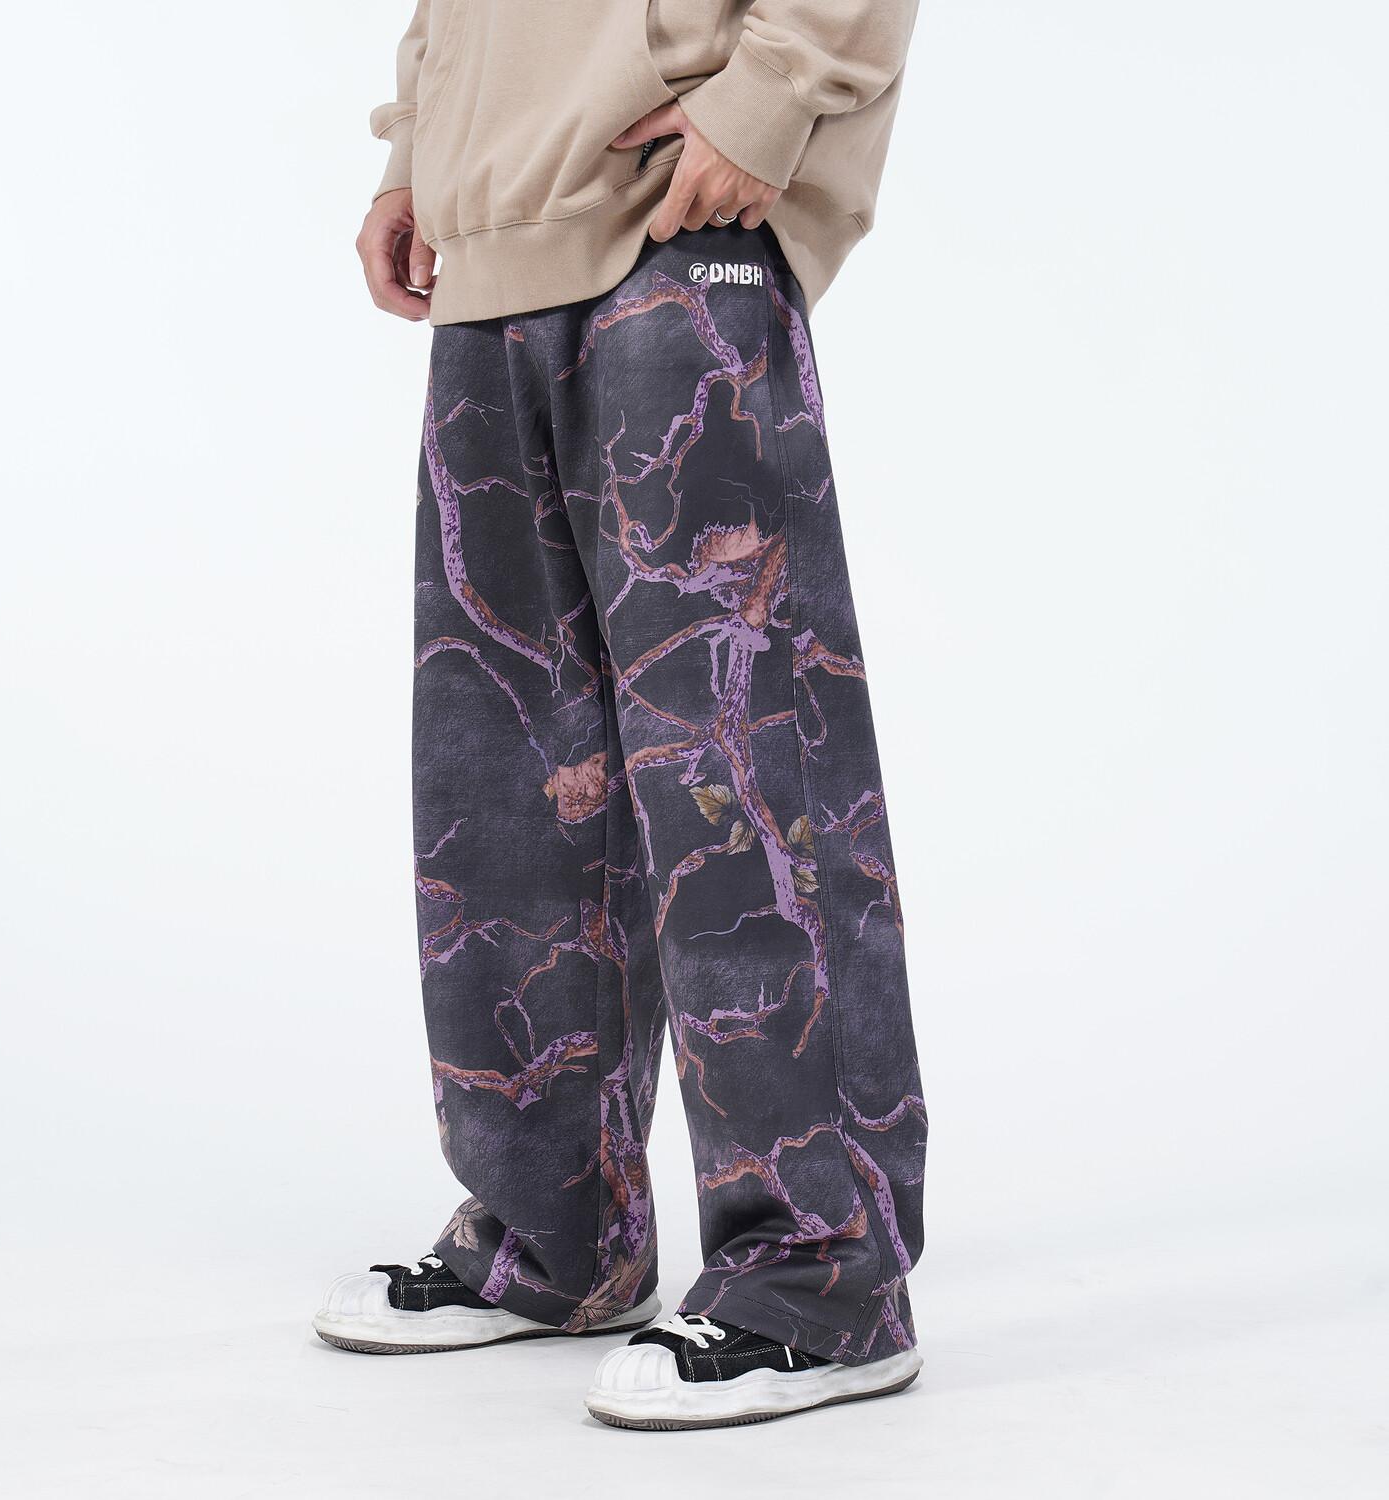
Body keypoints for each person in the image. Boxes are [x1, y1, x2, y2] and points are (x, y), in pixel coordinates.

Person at [313, 0, 928, 1431]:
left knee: (742, 773)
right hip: (494, 238)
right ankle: (556, 1234)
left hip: (678, 217)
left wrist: (770, 96)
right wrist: (421, 151)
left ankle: (825, 1275)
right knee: (511, 783)